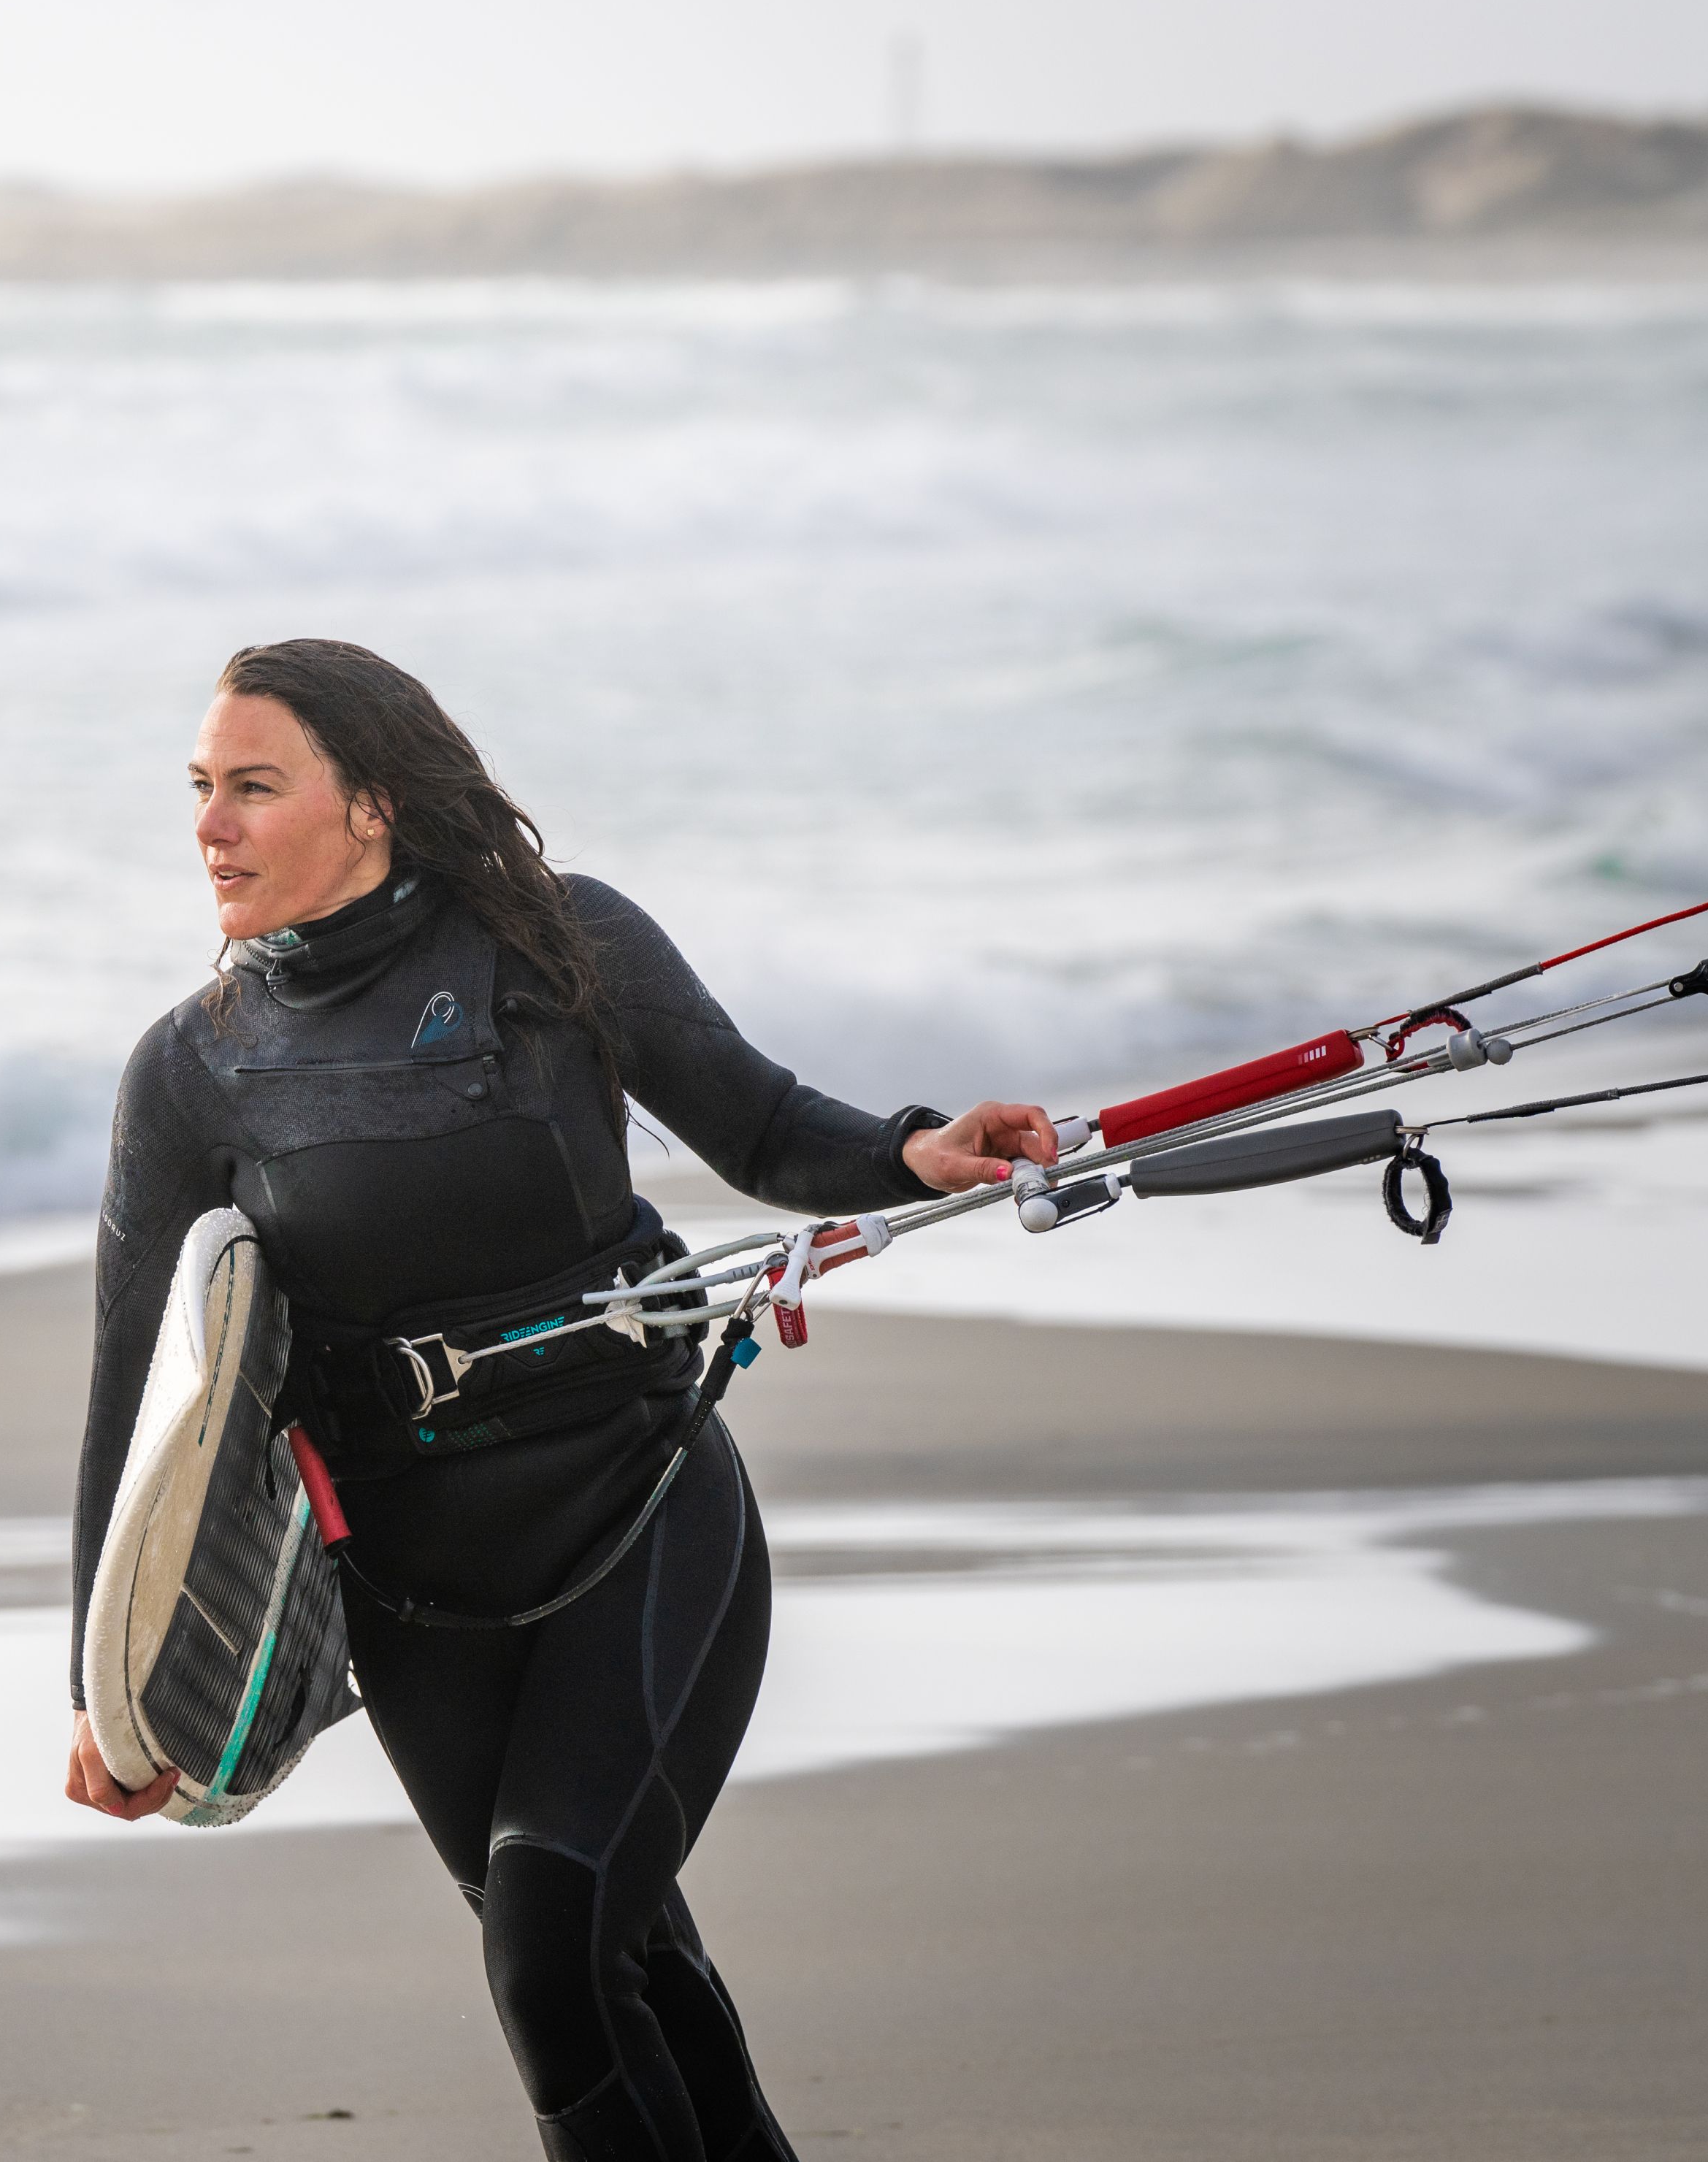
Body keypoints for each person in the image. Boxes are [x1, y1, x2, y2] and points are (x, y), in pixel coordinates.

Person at [61, 640, 1049, 2162]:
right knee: (619, 1962)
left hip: (635, 1512)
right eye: (202, 787)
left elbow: (762, 1125)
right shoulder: (196, 1067)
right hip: (415, 1597)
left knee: (551, 1953)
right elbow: (138, 1383)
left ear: (372, 801)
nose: (210, 825)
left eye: (254, 786)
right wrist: (103, 1685)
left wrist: (910, 1151)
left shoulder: (553, 945)